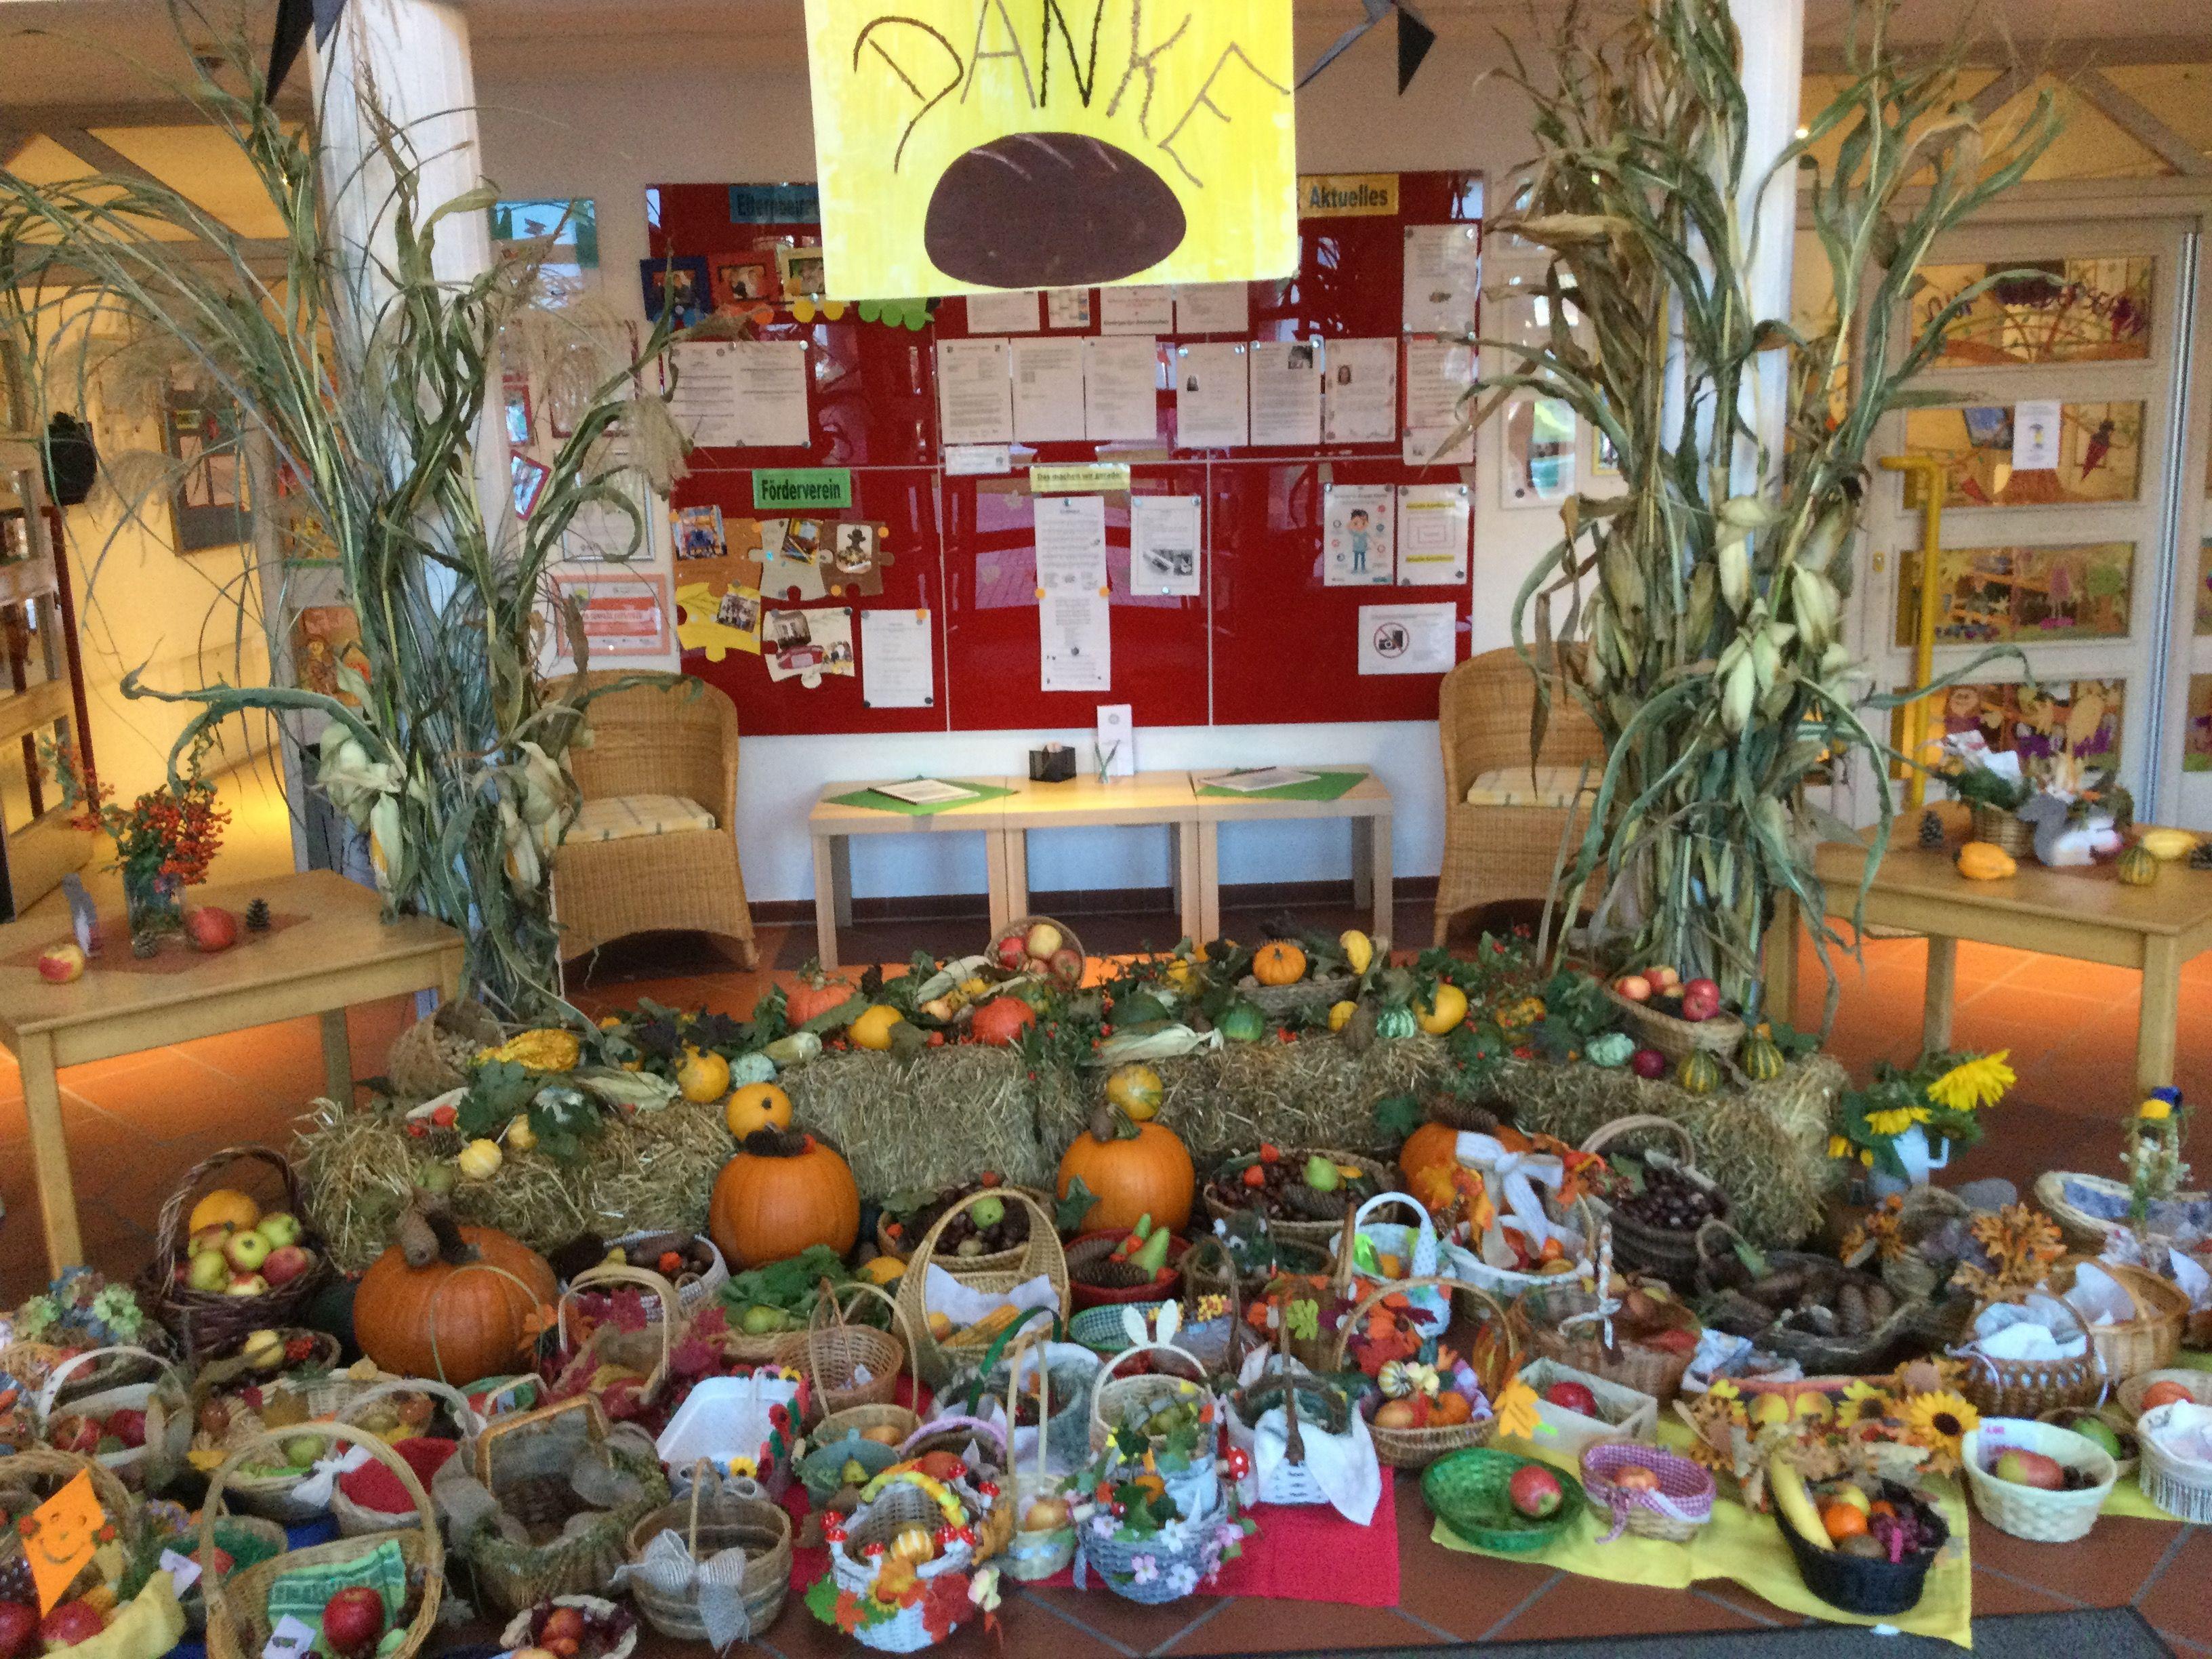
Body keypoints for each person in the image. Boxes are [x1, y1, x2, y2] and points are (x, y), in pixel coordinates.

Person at [1347, 508, 1372, 575]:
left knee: (1363, 559)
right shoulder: (1355, 533)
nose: (1360, 525)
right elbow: (1349, 530)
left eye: (1363, 523)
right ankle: (1355, 568)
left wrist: (1372, 543)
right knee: (1356, 559)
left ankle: (1363, 568)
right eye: (1356, 523)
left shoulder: (1364, 532)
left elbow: (1369, 537)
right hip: (1356, 548)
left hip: (1363, 548)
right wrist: (1349, 525)